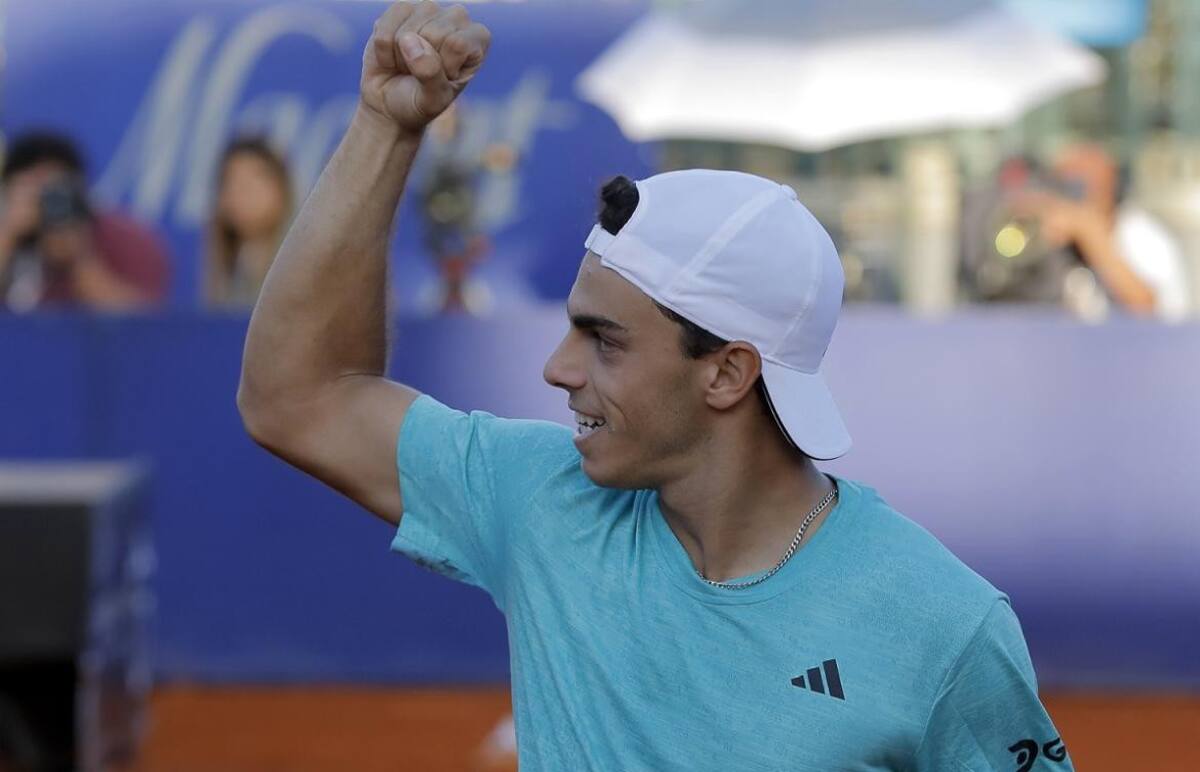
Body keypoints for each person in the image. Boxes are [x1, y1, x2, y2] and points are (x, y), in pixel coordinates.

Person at [237, 2, 1072, 769]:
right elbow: (299, 396)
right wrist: (385, 127)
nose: (557, 369)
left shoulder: (945, 627)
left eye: (602, 340)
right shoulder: (541, 500)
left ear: (727, 371)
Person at [1016, 143, 1190, 321]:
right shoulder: (1045, 235)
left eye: (1085, 184)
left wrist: (1091, 236)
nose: (1077, 195)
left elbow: (1153, 311)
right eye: (1066, 185)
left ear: (1112, 186)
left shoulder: (1142, 235)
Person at [0, 132, 169, 312]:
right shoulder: (9, 233)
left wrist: (78, 260)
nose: (44, 202)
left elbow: (143, 325)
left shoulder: (125, 238)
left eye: (55, 191)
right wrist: (8, 236)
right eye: (32, 190)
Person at [203, 137, 294, 307]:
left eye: (253, 181)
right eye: (231, 182)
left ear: (281, 189)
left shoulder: (303, 265)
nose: (241, 193)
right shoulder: (227, 269)